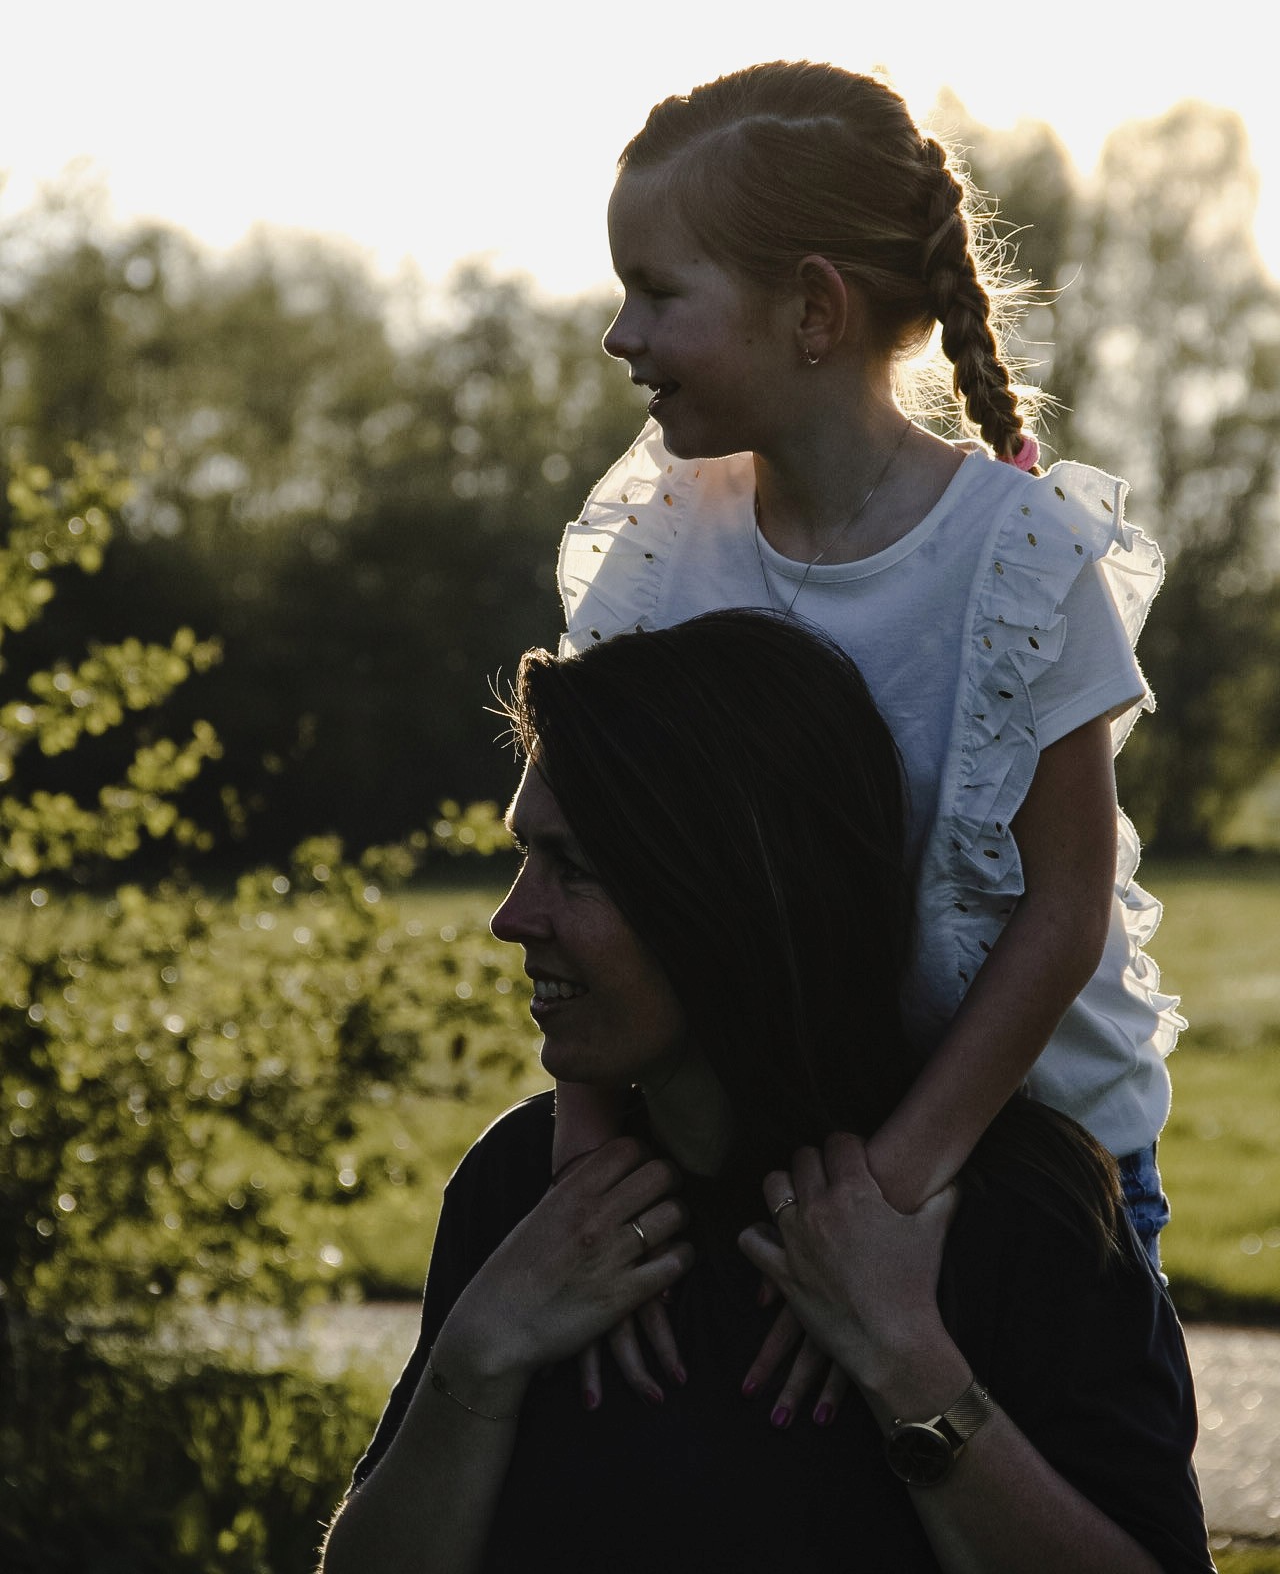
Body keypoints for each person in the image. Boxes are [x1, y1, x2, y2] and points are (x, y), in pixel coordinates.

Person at [322, 613, 1213, 1574]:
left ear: (730, 891)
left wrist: (909, 1365)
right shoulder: (524, 1193)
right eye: (522, 858)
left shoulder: (1021, 1218)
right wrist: (478, 1358)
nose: (511, 917)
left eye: (574, 868)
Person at [554, 64, 1180, 1393]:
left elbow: (1062, 915)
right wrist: (584, 1166)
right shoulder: (665, 548)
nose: (620, 333)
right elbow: (593, 863)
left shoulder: (1019, 560)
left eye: (659, 292)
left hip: (1031, 1160)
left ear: (816, 310)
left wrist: (889, 1202)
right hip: (793, 1158)